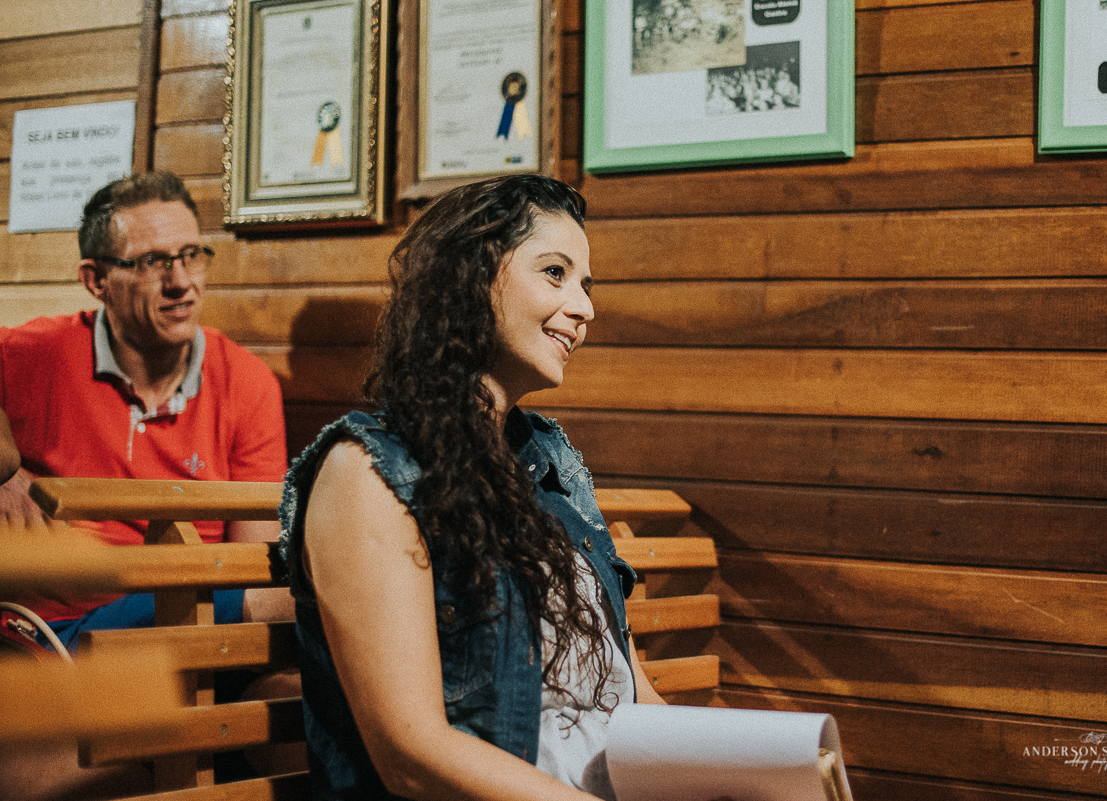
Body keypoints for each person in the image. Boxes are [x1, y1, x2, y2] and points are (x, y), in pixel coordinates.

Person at [278, 174, 665, 801]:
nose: (585, 307)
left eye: (586, 285)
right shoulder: (369, 473)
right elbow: (413, 754)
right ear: (471, 277)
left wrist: (743, 769)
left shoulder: (550, 466)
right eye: (555, 273)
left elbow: (627, 692)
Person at [0, 172, 296, 799]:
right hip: (45, 635)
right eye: (153, 262)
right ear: (95, 279)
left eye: (191, 255)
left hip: (186, 629)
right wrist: (4, 469)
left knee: (295, 678)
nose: (182, 282)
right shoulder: (38, 353)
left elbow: (252, 565)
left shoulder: (246, 384)